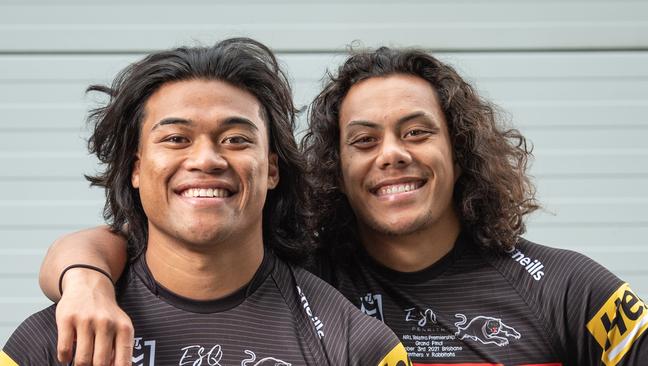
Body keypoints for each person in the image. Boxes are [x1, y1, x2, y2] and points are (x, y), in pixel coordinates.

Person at [33, 46, 648, 365]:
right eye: (363, 140)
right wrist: (84, 283)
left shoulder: (567, 288)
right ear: (334, 165)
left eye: (416, 132)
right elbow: (128, 242)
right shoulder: (304, 277)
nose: (391, 156)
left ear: (459, 150)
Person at [0, 39, 411, 366]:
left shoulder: (359, 347)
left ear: (271, 169)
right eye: (176, 138)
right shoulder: (49, 344)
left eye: (235, 140)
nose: (206, 160)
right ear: (136, 169)